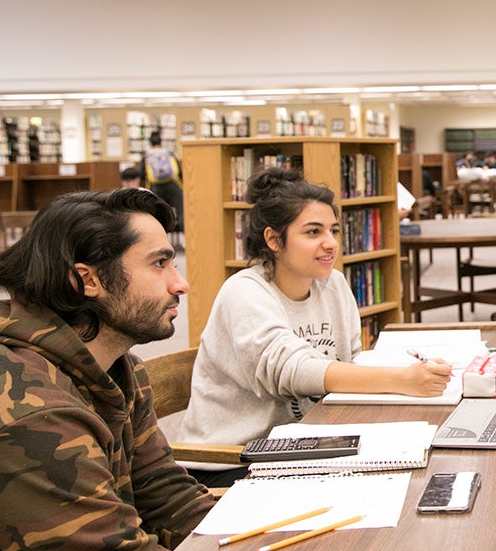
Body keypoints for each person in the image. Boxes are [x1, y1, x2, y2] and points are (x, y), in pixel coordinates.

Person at [0, 188, 215, 551]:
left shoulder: (116, 366)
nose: (180, 283)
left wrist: (246, 541)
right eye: (160, 263)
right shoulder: (30, 415)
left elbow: (162, 490)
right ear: (87, 279)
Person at [176, 168, 451, 486]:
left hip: (301, 445)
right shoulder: (244, 292)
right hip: (230, 462)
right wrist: (401, 380)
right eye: (312, 232)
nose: (331, 243)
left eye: (333, 231)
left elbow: (349, 362)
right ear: (274, 239)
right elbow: (289, 371)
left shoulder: (332, 283)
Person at [141, 129, 184, 239]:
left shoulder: (146, 155)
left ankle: (162, 237)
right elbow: (178, 171)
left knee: (158, 212)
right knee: (181, 208)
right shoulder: (168, 153)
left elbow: (142, 173)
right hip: (172, 185)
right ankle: (185, 237)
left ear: (150, 143)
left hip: (156, 187)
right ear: (161, 142)